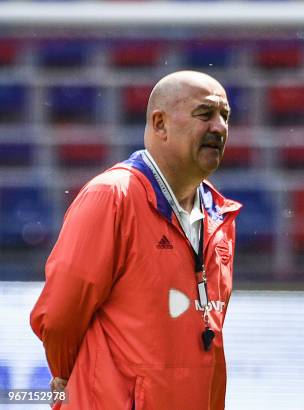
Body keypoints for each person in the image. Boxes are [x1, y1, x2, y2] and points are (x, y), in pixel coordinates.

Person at [30, 70, 241, 409]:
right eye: (205, 114)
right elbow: (59, 317)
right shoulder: (112, 197)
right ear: (160, 124)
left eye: (225, 117)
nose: (219, 127)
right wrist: (76, 381)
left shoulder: (220, 216)